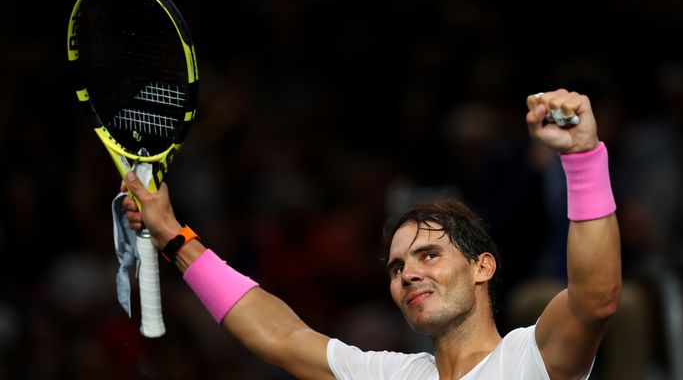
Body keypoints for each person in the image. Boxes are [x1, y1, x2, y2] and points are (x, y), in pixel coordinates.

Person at [121, 88, 621, 379]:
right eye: (397, 267)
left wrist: (582, 159)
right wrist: (173, 236)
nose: (408, 274)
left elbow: (595, 299)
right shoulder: (391, 376)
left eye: (428, 255)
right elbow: (280, 335)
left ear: (482, 266)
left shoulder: (530, 358)